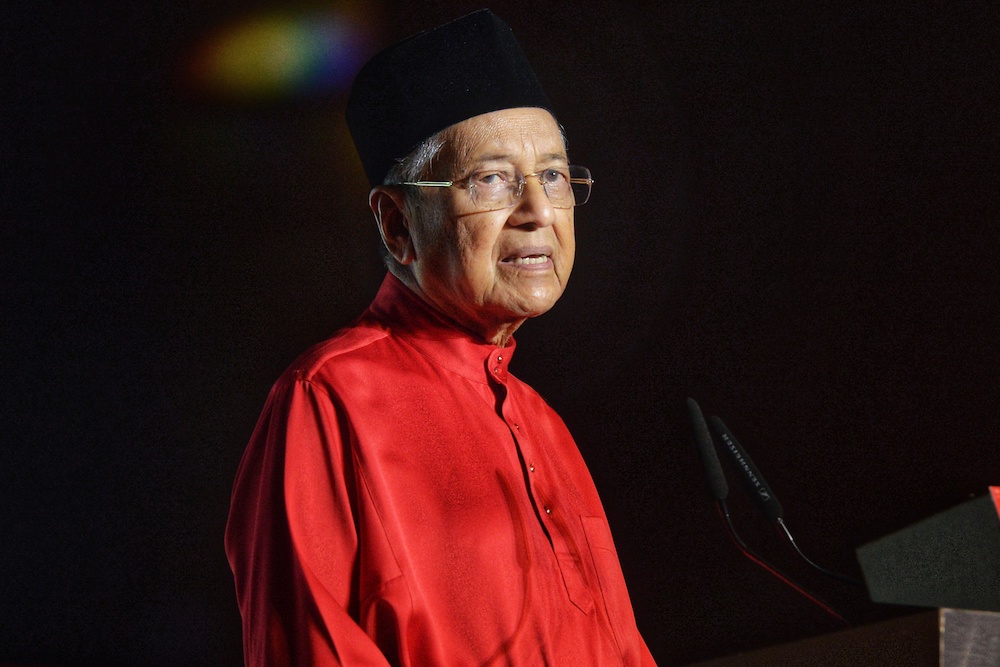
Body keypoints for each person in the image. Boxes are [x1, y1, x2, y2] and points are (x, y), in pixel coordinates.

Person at [225, 9, 656, 665]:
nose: (537, 211)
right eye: (491, 178)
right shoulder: (328, 401)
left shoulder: (548, 428)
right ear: (398, 224)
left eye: (553, 175)